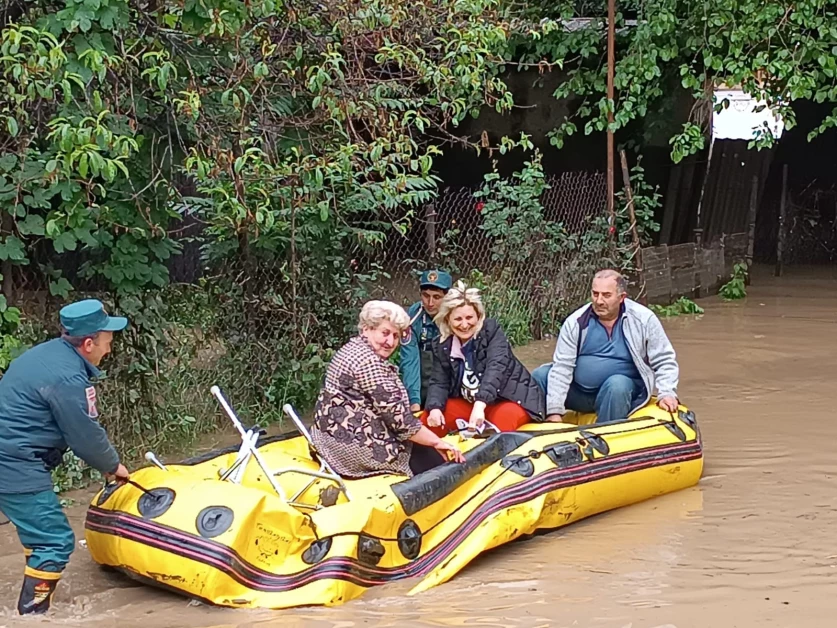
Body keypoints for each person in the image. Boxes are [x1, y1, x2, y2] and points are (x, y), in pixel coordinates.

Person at [0, 299, 131, 615]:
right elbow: (84, 434)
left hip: (10, 455)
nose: (108, 350)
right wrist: (113, 466)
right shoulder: (68, 378)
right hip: (14, 462)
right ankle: (32, 618)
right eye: (107, 343)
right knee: (53, 541)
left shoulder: (46, 355)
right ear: (88, 343)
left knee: (39, 537)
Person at [311, 300, 465, 479]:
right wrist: (438, 443)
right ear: (367, 329)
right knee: (441, 466)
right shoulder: (369, 364)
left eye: (396, 336)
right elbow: (402, 422)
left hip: (328, 439)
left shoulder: (351, 348)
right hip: (353, 450)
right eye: (385, 333)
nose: (390, 342)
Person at [532, 269, 680, 425]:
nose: (599, 301)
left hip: (621, 393)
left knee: (617, 385)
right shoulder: (576, 322)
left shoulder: (643, 319)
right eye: (595, 294)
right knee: (541, 375)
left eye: (606, 295)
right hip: (580, 393)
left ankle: (605, 436)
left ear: (622, 297)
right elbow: (562, 367)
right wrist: (554, 412)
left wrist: (667, 393)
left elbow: (664, 360)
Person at [423, 282, 546, 436]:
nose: (464, 325)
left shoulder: (492, 331)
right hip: (471, 402)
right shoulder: (442, 344)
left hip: (508, 400)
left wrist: (479, 406)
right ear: (448, 320)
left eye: (469, 317)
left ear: (479, 316)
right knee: (428, 417)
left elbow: (496, 369)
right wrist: (435, 408)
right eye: (458, 319)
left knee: (501, 423)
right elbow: (439, 381)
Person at [398, 269, 452, 412]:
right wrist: (414, 401)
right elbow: (410, 360)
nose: (430, 303)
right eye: (426, 296)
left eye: (437, 297)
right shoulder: (413, 317)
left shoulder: (458, 316)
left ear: (447, 297)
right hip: (423, 380)